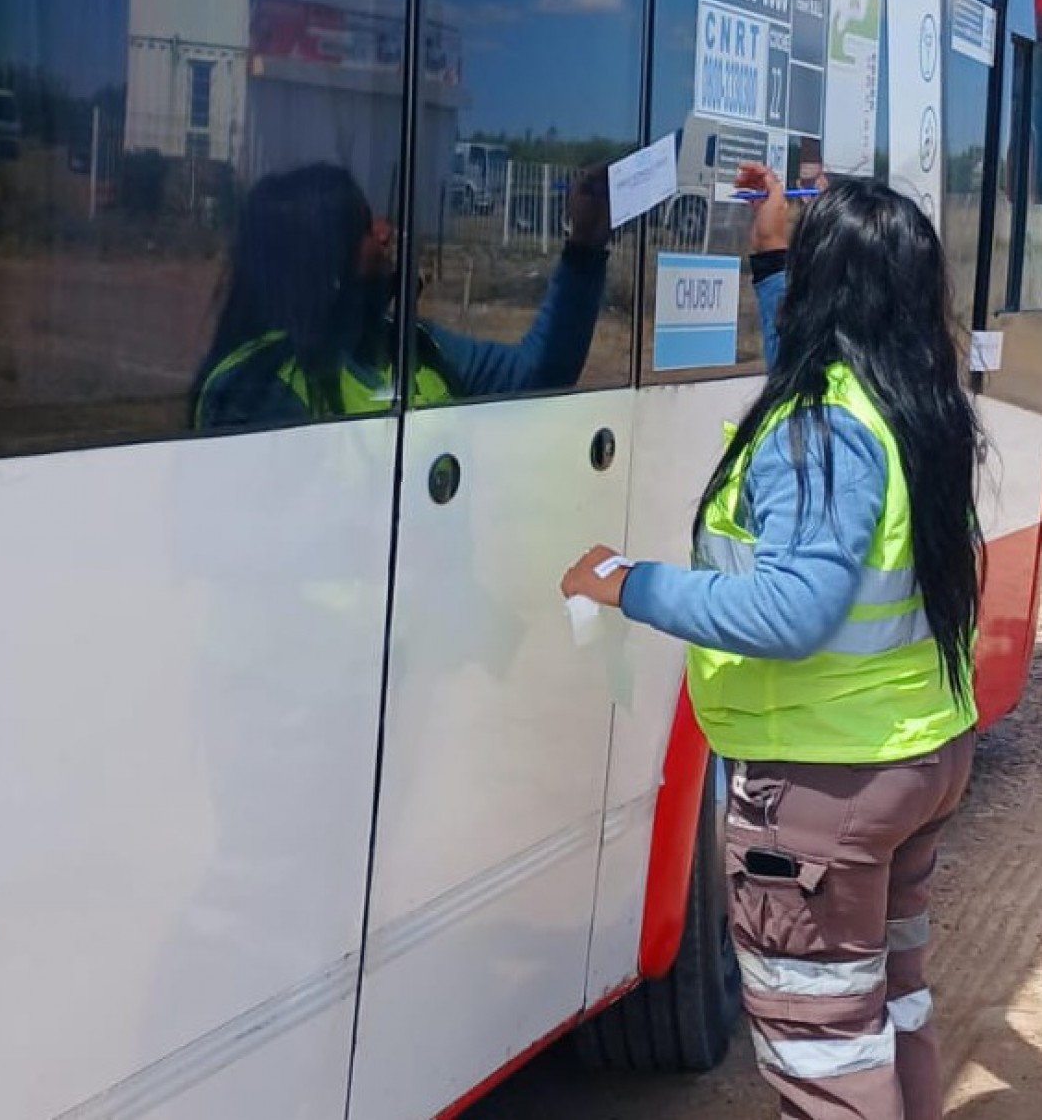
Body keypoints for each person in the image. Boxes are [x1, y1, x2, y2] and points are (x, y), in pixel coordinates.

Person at [560, 163, 985, 1120]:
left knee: (825, 1055)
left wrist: (629, 584)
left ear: (827, 287)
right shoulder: (912, 399)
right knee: (891, 1011)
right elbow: (811, 360)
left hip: (827, 783)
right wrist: (772, 254)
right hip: (918, 753)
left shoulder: (821, 429)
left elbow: (791, 613)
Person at [190, 161, 612, 429]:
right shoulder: (253, 391)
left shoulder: (414, 346)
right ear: (322, 263)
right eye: (363, 227)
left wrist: (585, 244)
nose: (385, 231)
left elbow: (539, 373)